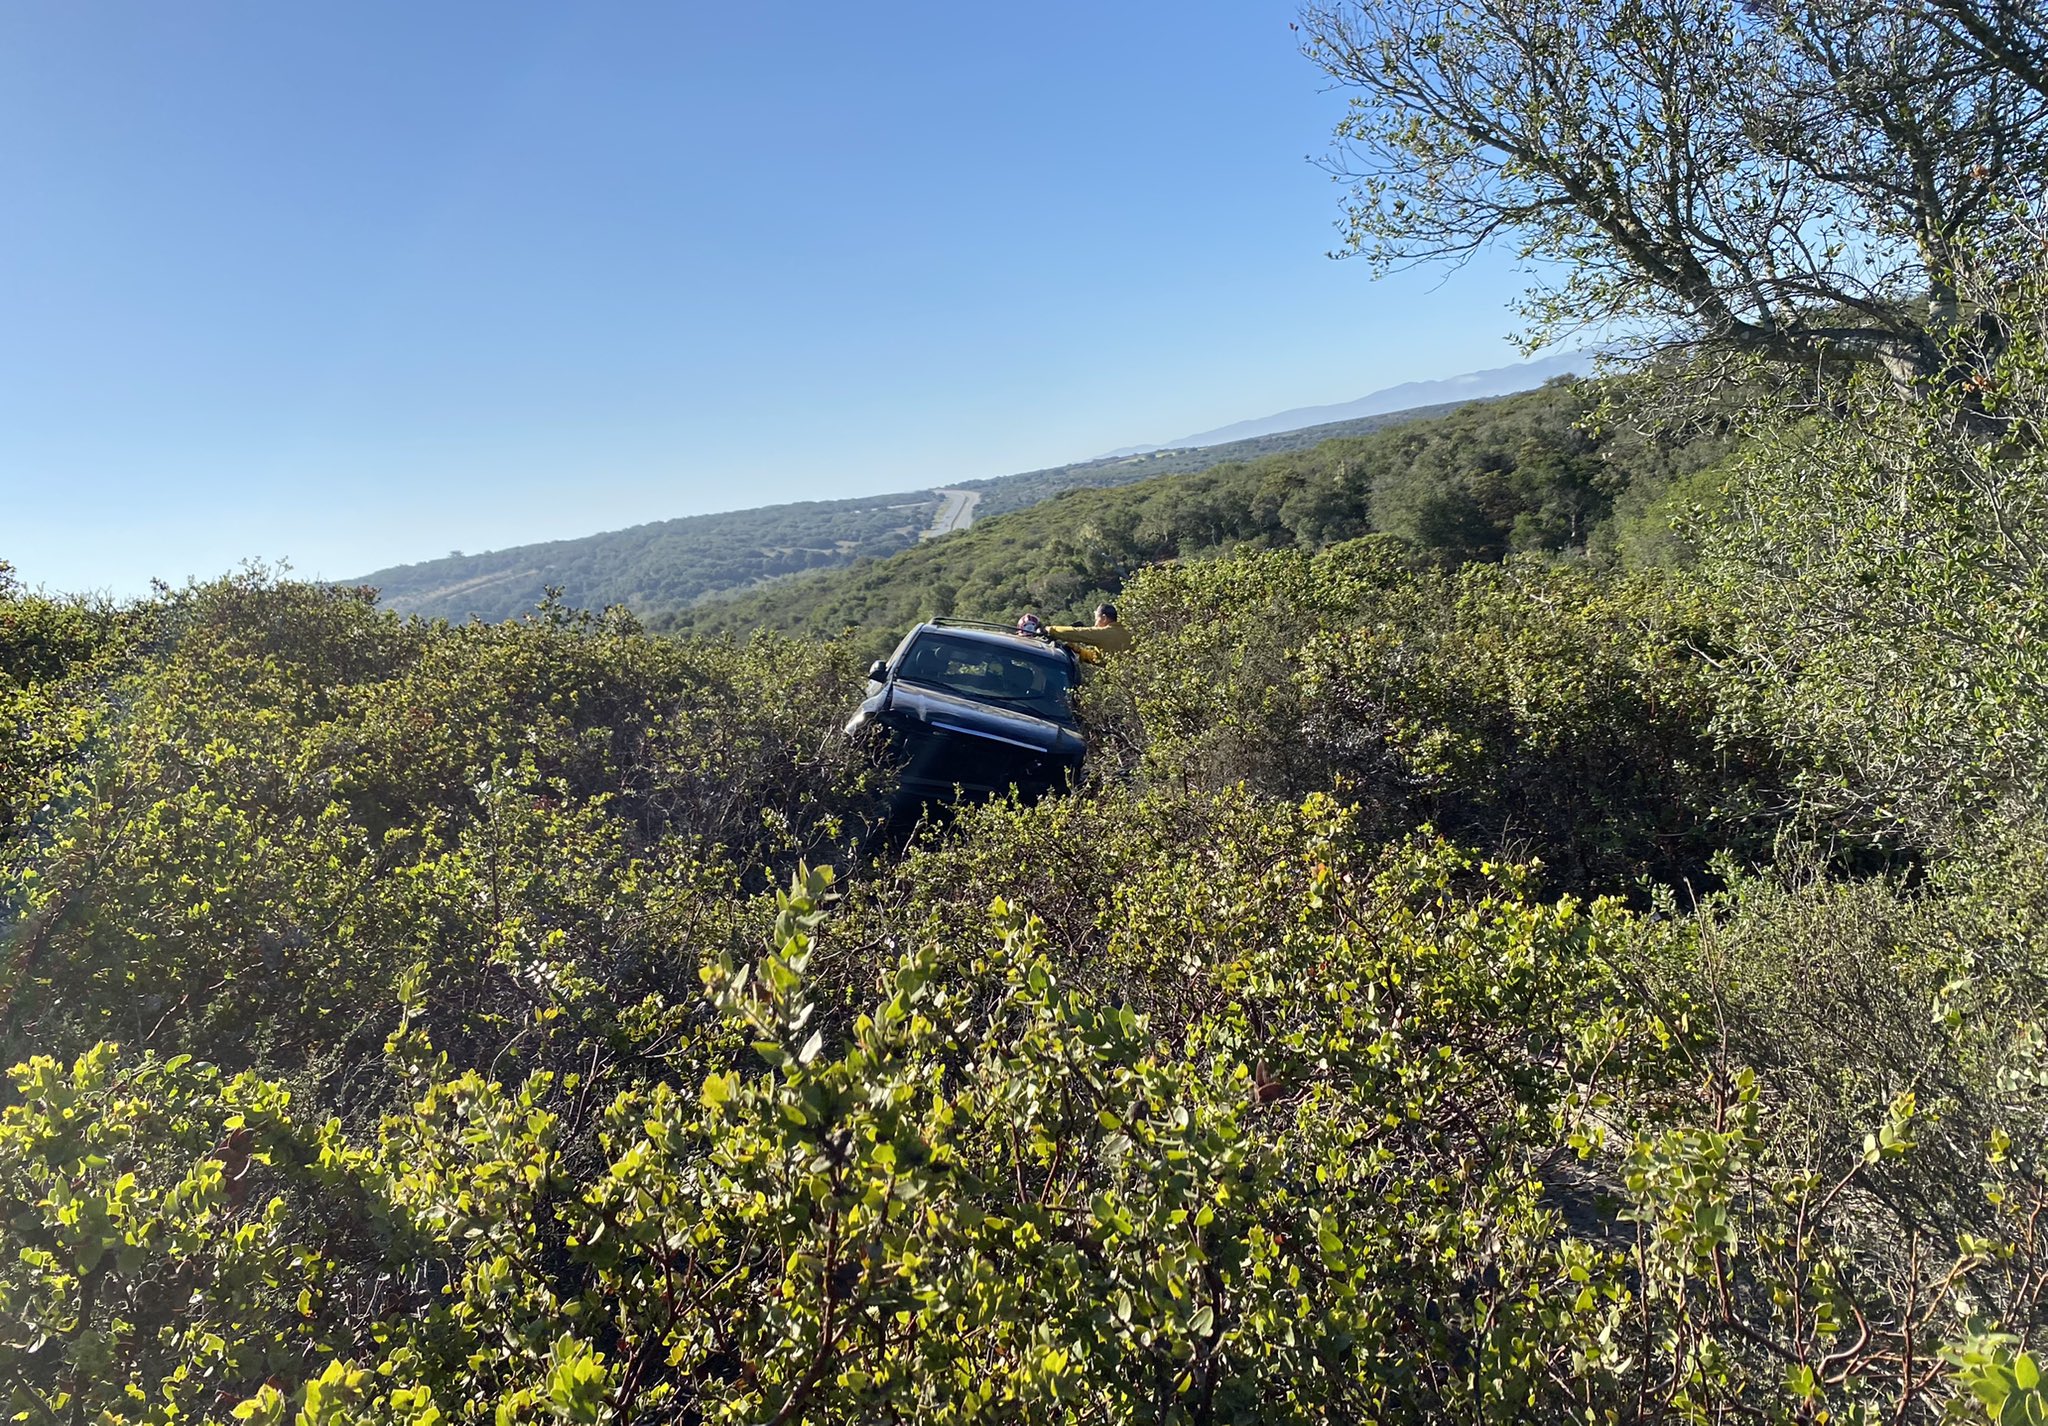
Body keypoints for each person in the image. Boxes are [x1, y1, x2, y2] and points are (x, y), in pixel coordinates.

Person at [1046, 603, 1132, 663]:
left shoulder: (1104, 633)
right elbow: (1102, 661)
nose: (1095, 624)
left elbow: (1077, 633)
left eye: (1096, 619)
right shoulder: (1128, 632)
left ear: (1104, 618)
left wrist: (1050, 630)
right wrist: (1080, 652)